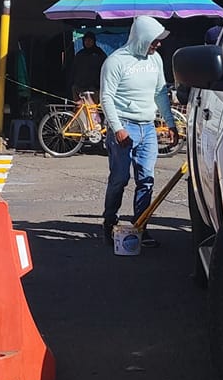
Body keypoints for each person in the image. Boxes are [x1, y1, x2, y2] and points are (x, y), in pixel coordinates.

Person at [100, 16, 172, 246]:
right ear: (142, 38)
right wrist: (117, 128)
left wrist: (170, 122)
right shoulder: (115, 62)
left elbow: (160, 92)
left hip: (148, 127)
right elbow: (106, 98)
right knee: (120, 179)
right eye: (154, 40)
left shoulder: (156, 60)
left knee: (147, 180)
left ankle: (141, 225)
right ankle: (110, 222)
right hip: (124, 125)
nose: (157, 45)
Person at [69, 32, 107, 103]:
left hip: (93, 88)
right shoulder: (80, 54)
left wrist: (98, 85)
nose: (88, 42)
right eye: (86, 40)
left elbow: (105, 69)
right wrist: (73, 83)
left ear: (94, 41)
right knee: (79, 109)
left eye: (90, 40)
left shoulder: (99, 54)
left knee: (92, 110)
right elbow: (74, 69)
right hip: (78, 87)